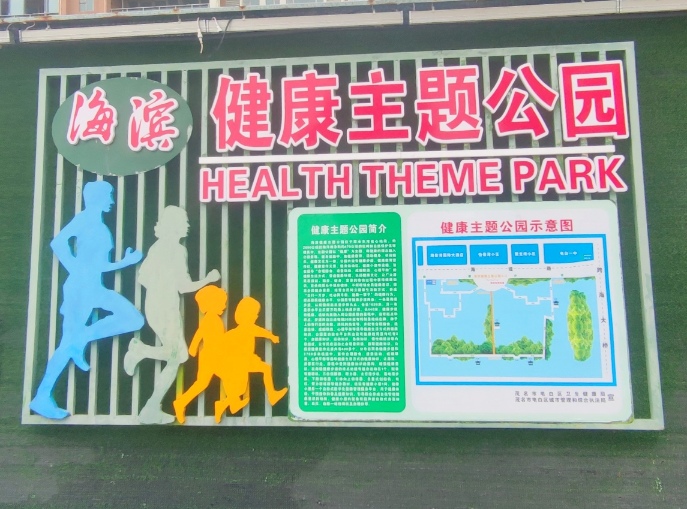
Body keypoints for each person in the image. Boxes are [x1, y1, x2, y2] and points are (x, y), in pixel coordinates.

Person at [30, 180, 144, 420]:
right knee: (65, 345)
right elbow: (57, 243)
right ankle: (42, 396)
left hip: (95, 288)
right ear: (97, 198)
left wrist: (125, 263)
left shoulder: (100, 225)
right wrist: (76, 269)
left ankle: (82, 338)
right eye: (109, 196)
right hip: (79, 290)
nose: (112, 201)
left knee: (133, 318)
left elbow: (98, 265)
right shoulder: (84, 219)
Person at [123, 205, 219, 424]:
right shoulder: (177, 250)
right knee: (178, 357)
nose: (187, 225)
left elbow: (142, 277)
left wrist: (160, 285)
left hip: (153, 304)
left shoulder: (156, 247)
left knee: (176, 358)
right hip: (167, 308)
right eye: (184, 221)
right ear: (176, 225)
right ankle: (140, 350)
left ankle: (150, 409)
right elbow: (184, 287)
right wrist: (208, 279)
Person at [172, 285, 248, 424]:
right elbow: (214, 338)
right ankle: (231, 403)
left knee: (202, 383)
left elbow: (199, 335)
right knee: (231, 376)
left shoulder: (210, 319)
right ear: (211, 303)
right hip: (213, 355)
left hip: (208, 355)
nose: (224, 306)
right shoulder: (212, 319)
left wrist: (193, 348)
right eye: (221, 303)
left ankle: (181, 402)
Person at [213, 296, 287, 422]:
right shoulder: (247, 327)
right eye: (254, 314)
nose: (256, 317)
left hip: (240, 362)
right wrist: (272, 337)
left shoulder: (238, 330)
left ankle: (225, 405)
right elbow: (260, 331)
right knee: (264, 369)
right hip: (240, 362)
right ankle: (272, 395)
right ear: (246, 314)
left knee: (239, 389)